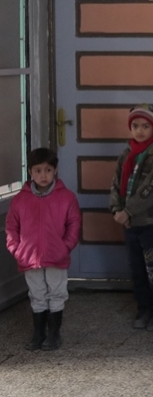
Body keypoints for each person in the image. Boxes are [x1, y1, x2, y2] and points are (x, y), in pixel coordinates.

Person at [6, 148, 81, 351]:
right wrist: (17, 250)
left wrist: (65, 246)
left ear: (55, 170)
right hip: (29, 258)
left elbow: (74, 224)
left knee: (56, 293)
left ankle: (54, 334)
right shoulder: (20, 200)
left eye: (48, 170)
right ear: (30, 172)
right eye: (38, 171)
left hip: (56, 257)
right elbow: (11, 227)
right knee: (37, 294)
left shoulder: (66, 198)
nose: (43, 175)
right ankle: (38, 333)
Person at [110, 105, 153, 331]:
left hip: (148, 223)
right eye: (135, 126)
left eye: (145, 126)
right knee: (137, 268)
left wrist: (129, 211)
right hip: (128, 223)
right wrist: (117, 209)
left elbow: (151, 189)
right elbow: (116, 183)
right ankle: (143, 308)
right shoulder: (127, 153)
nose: (140, 131)